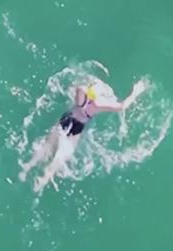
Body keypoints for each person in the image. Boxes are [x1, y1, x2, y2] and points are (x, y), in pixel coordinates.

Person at [19, 79, 147, 193]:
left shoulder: (79, 95)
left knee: (48, 145)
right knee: (63, 154)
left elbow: (76, 86)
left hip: (66, 118)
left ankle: (27, 167)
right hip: (78, 126)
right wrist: (135, 92)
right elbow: (121, 106)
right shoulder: (97, 105)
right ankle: (44, 178)